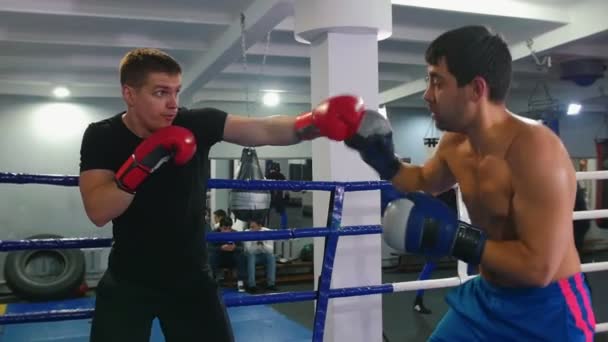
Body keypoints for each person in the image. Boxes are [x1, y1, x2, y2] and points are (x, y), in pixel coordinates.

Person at [78, 48, 366, 341]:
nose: (172, 104)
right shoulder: (102, 135)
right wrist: (146, 160)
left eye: (176, 92)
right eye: (161, 93)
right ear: (129, 94)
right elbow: (99, 211)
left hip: (191, 278)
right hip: (129, 278)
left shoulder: (196, 123)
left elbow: (263, 129)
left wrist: (311, 125)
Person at [345, 26, 595, 340]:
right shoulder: (455, 143)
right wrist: (385, 161)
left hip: (546, 311)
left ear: (476, 89)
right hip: (487, 298)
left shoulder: (536, 152)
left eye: (438, 82)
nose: (427, 95)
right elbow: (423, 181)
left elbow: (538, 268)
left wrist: (455, 238)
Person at [208, 217, 246, 287]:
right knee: (212, 256)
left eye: (229, 229)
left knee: (241, 256)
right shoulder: (213, 234)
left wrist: (235, 248)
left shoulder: (235, 233)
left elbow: (242, 248)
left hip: (232, 257)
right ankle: (214, 281)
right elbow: (209, 248)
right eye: (225, 229)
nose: (227, 231)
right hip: (219, 258)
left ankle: (241, 283)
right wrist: (221, 248)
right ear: (220, 227)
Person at [243, 219, 277, 293]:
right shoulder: (247, 232)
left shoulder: (268, 232)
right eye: (250, 227)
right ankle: (251, 285)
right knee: (251, 256)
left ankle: (271, 284)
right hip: (250, 257)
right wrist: (257, 242)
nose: (251, 229)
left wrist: (263, 244)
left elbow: (271, 250)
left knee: (271, 256)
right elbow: (249, 250)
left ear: (260, 226)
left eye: (253, 227)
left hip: (263, 255)